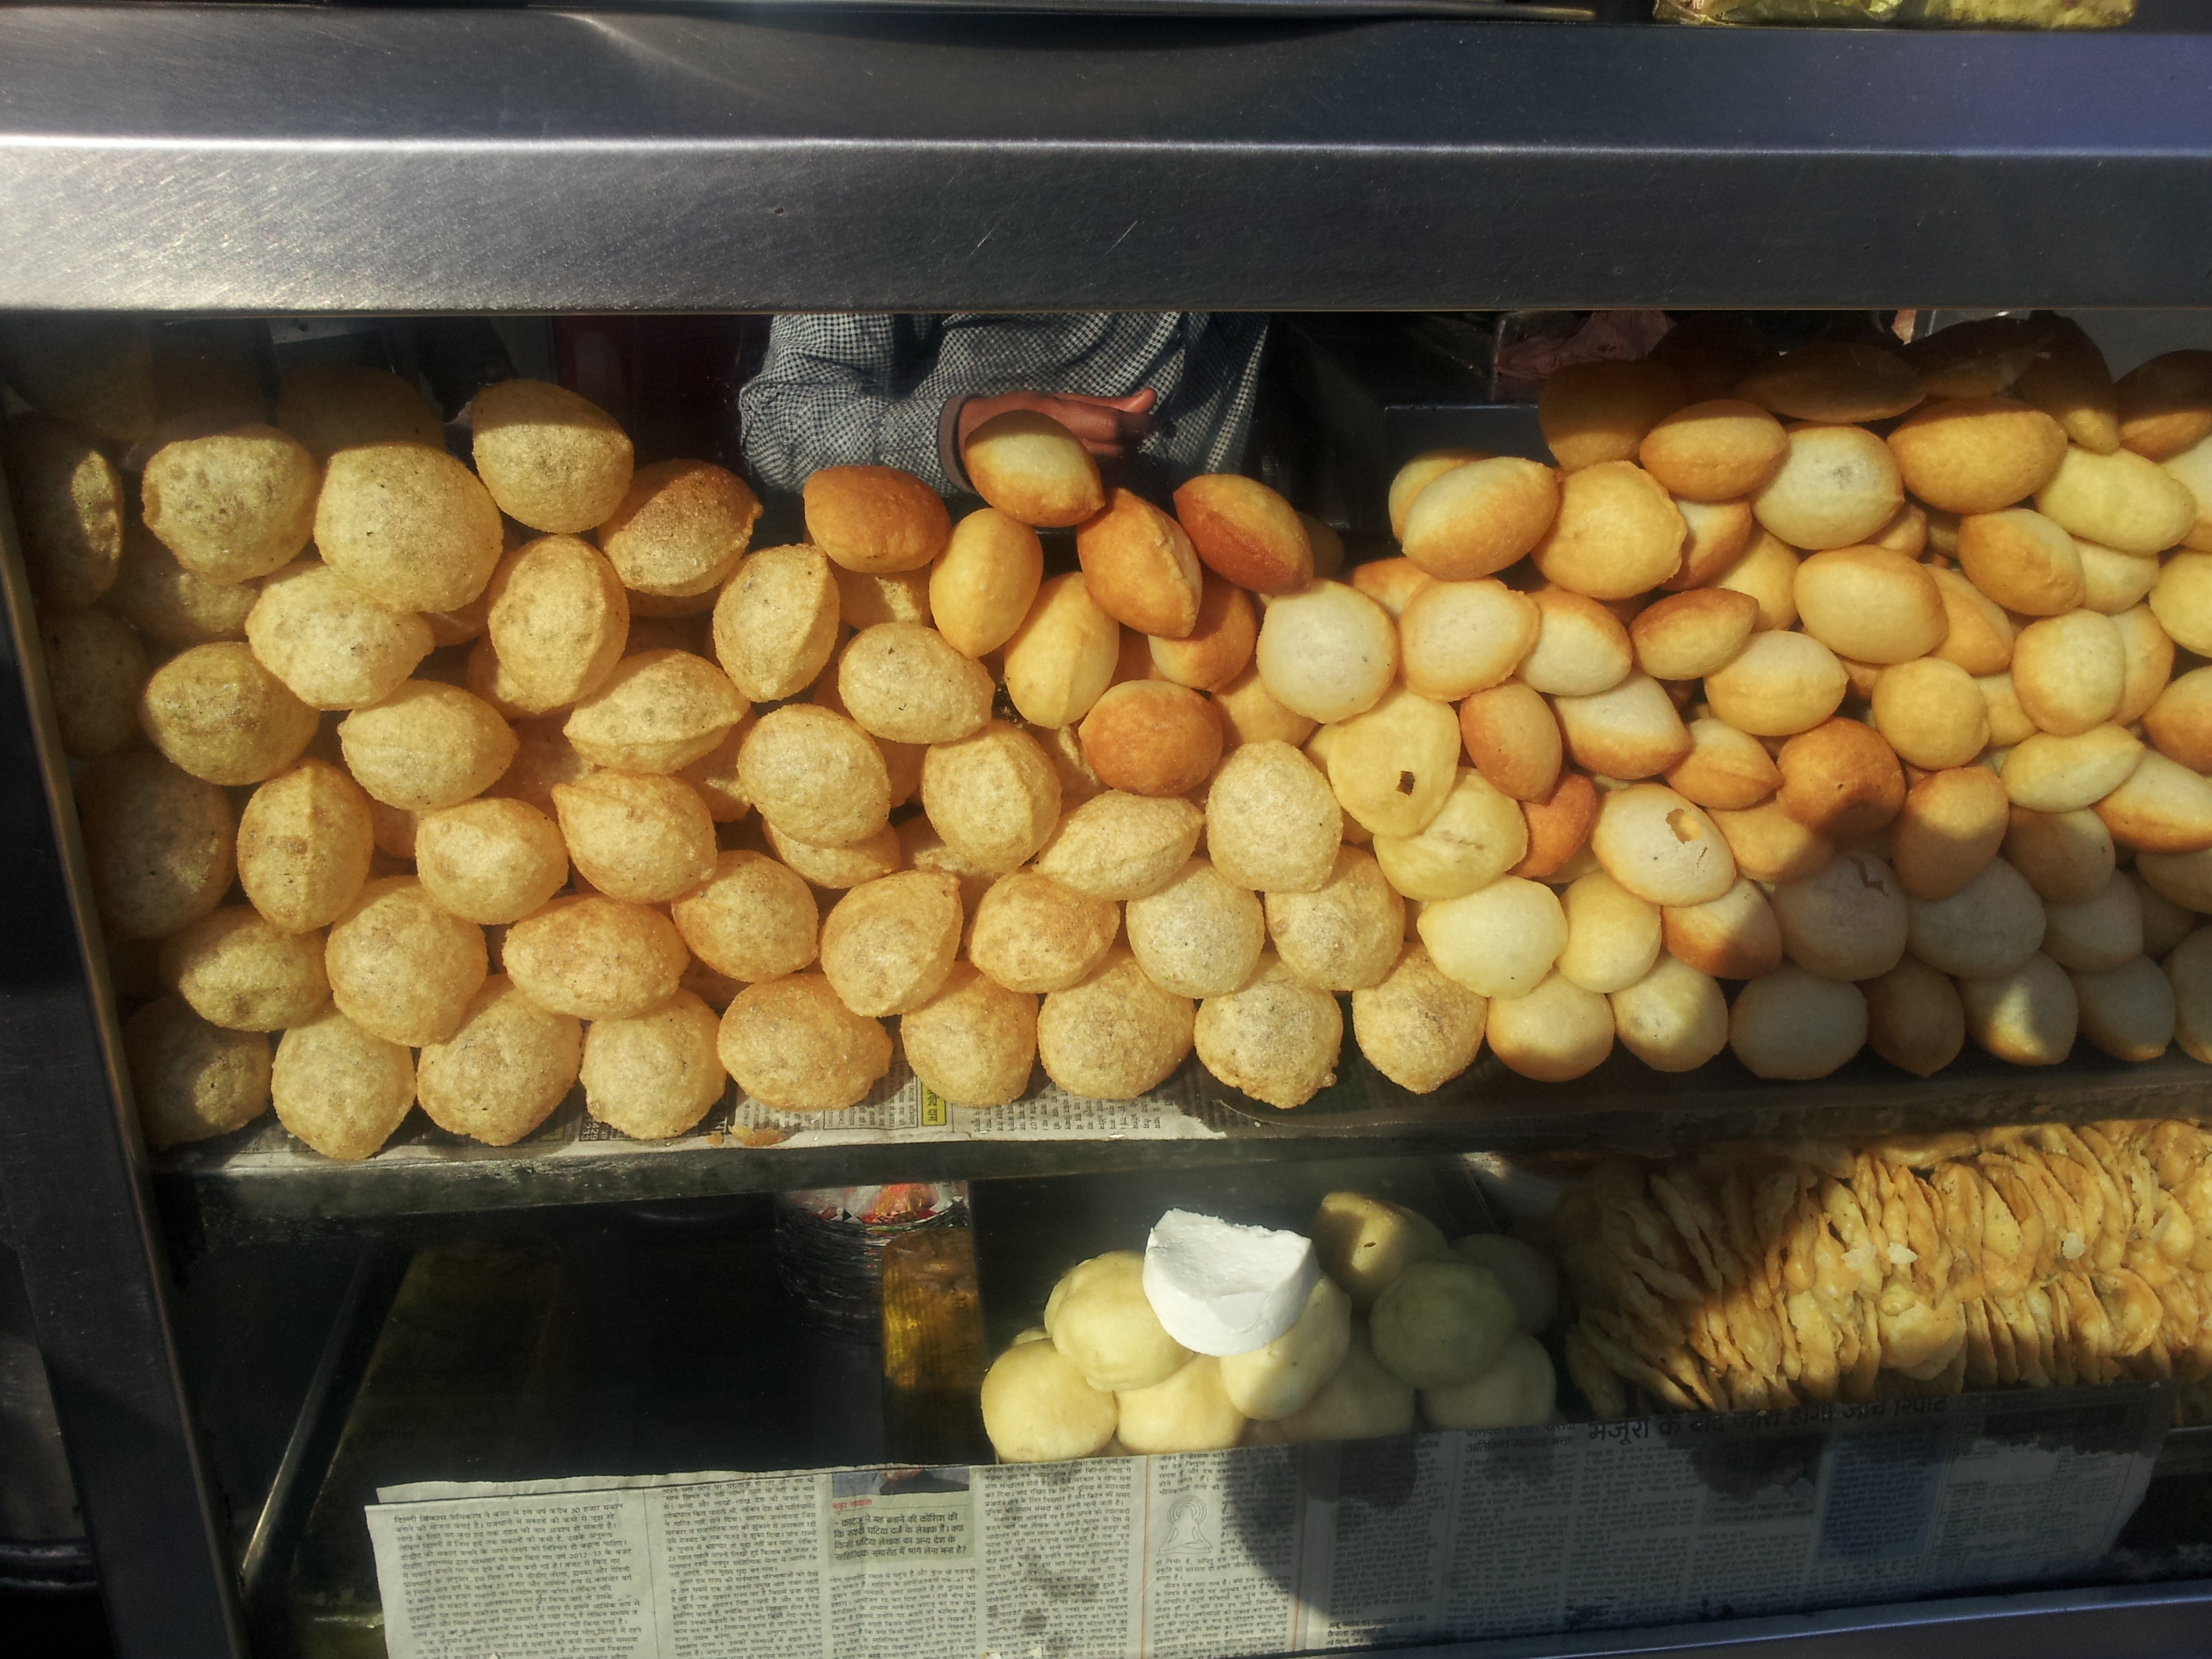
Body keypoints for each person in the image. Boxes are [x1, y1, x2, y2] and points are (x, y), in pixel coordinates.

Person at [738, 312, 1269, 501]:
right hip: (949, 595)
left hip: (1206, 595)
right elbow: (779, 417)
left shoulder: (1263, 128)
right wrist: (959, 437)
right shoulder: (903, 148)